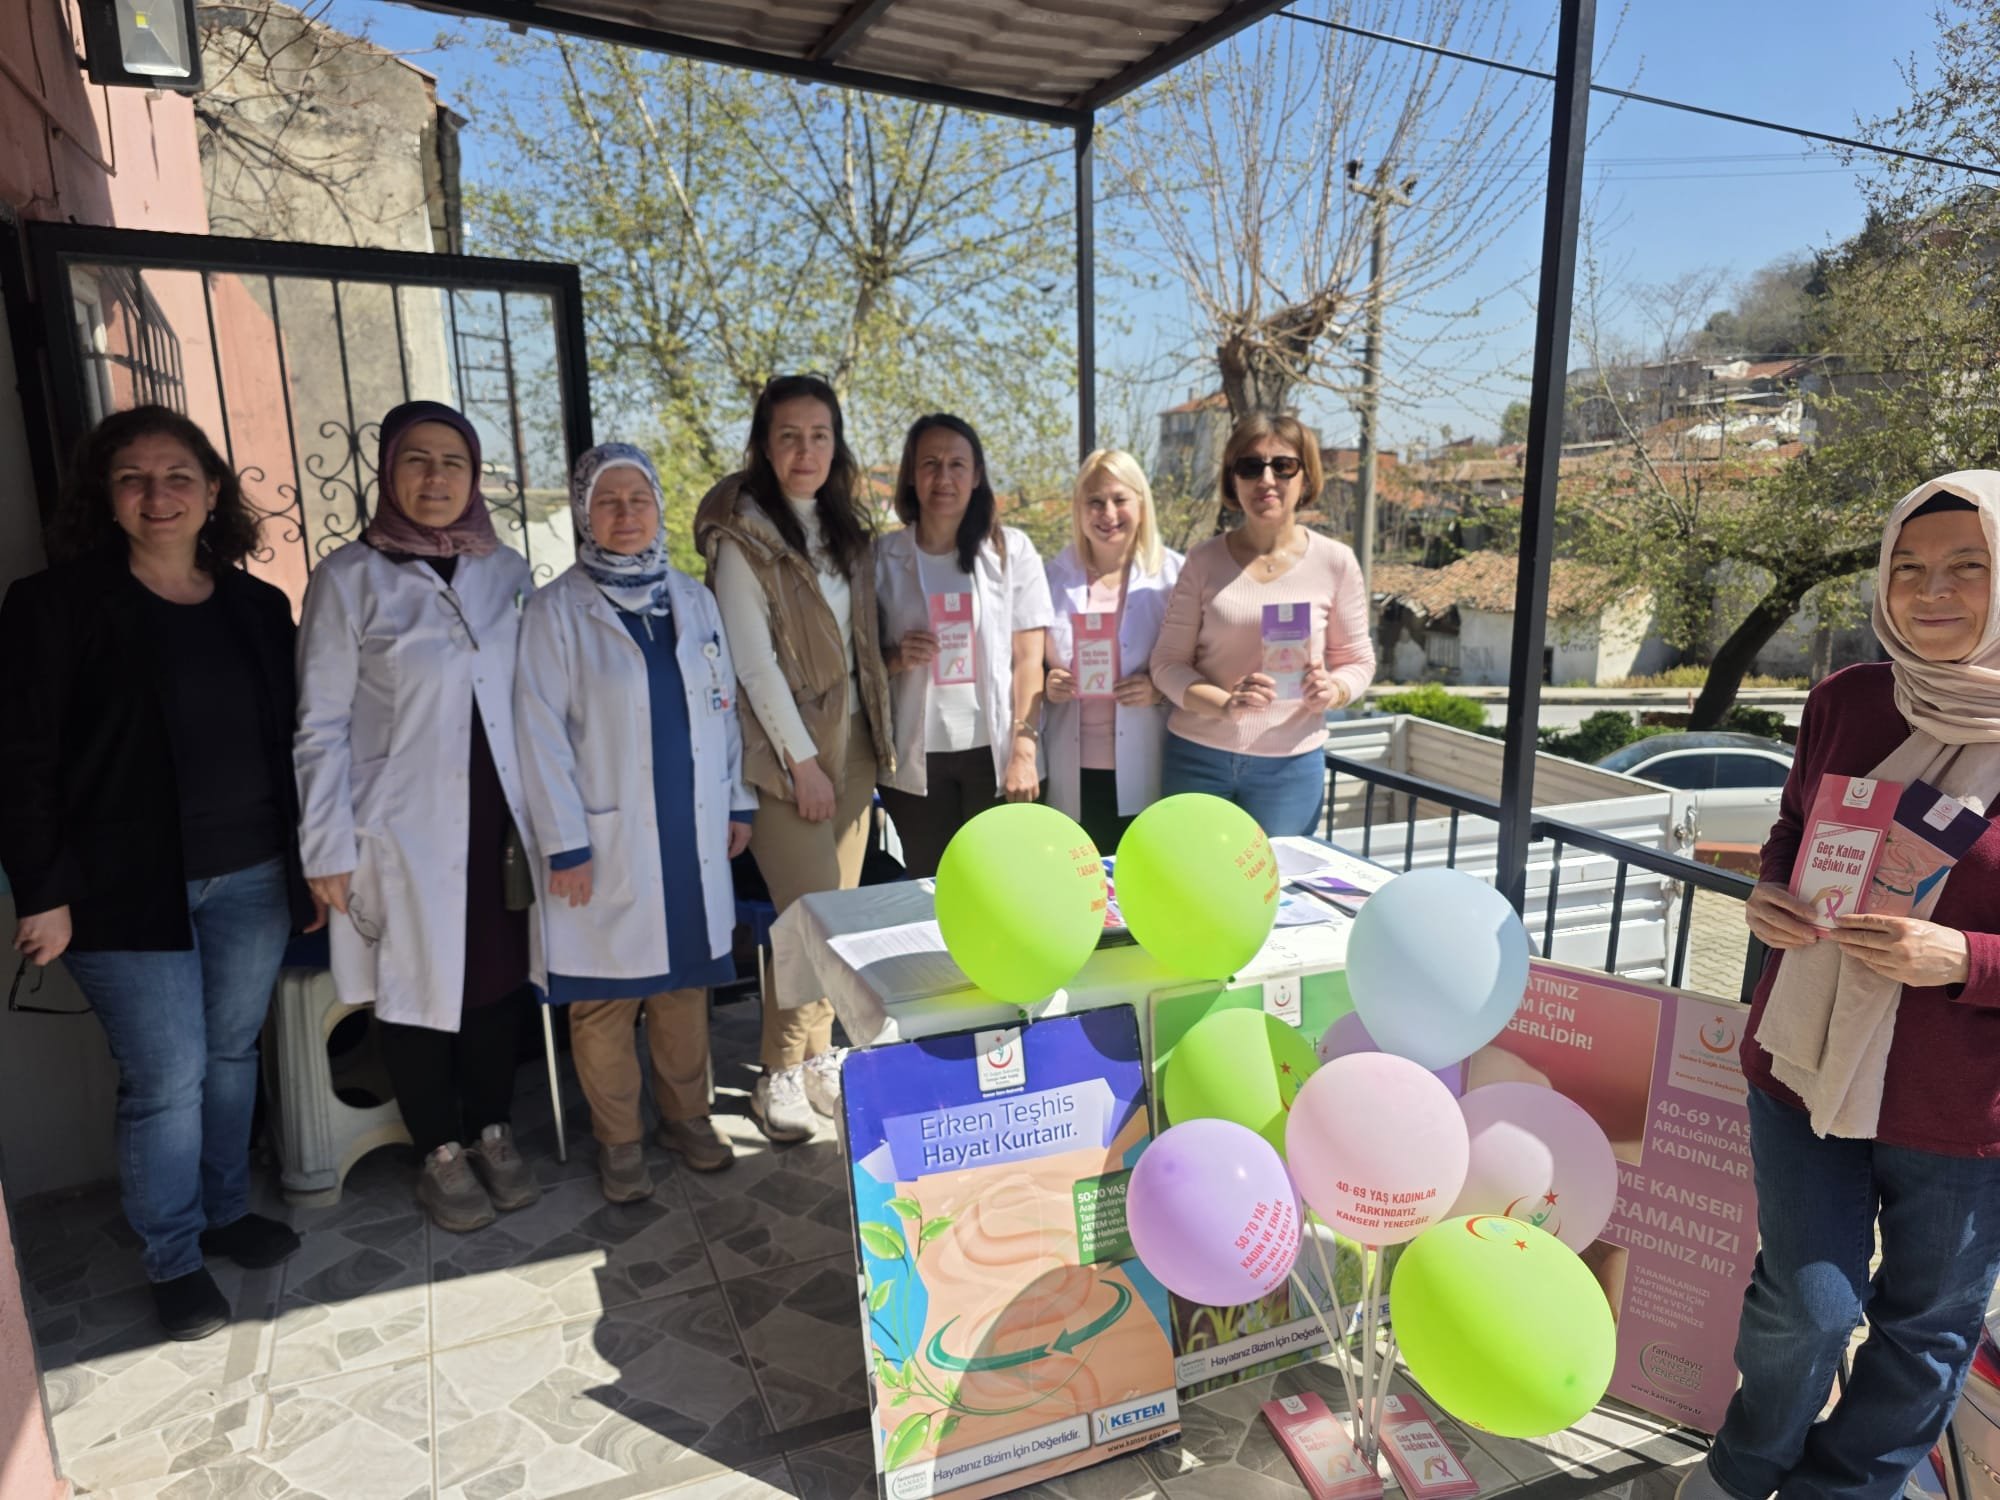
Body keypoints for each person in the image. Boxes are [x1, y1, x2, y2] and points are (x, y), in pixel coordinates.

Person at [1682, 472, 2000, 1500]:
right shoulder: (1849, 700)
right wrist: (1771, 893)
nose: (1931, 591)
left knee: (1924, 1329)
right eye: (1908, 568)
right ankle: (1742, 1472)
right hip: (1804, 1062)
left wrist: (1964, 959)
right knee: (1807, 1304)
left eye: (1967, 566)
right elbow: (1793, 827)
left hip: (1959, 1106)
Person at [0, 406, 314, 1340]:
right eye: (132, 477)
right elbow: (20, 761)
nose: (157, 494)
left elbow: (295, 745)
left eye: (178, 475)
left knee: (229, 1056)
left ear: (213, 491)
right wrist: (43, 892)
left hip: (252, 875)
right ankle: (173, 1257)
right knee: (167, 1078)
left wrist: (310, 868)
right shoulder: (53, 606)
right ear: (106, 496)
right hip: (119, 887)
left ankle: (225, 1212)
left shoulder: (260, 608)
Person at [295, 400, 541, 1235]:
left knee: (496, 980)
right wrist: (326, 846)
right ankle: (440, 1151)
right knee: (411, 988)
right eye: (417, 460)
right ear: (388, 471)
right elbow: (318, 723)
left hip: (499, 818)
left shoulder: (506, 571)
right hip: (399, 826)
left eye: (453, 462)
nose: (435, 478)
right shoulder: (347, 578)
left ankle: (492, 1130)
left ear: (474, 477)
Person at [517, 444, 756, 1200]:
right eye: (608, 501)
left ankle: (686, 1118)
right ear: (584, 513)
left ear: (658, 508)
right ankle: (619, 1140)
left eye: (639, 499)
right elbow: (538, 735)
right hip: (602, 837)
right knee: (604, 999)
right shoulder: (555, 611)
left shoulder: (693, 599)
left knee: (683, 990)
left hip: (691, 829)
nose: (625, 514)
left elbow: (724, 707)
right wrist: (566, 844)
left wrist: (736, 798)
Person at [694, 375, 896, 1143]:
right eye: (788, 436)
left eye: (819, 435)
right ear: (763, 446)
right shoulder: (742, 538)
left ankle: (817, 1058)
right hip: (789, 759)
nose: (805, 451)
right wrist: (802, 763)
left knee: (833, 925)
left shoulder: (844, 530)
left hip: (854, 749)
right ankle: (777, 1071)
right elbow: (754, 665)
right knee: (804, 923)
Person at [1149, 414, 1374, 837]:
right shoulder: (1202, 560)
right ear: (1232, 480)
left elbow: (1358, 661)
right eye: (1250, 466)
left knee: (1280, 878)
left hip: (1290, 767)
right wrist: (1224, 705)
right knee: (1191, 876)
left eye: (1283, 465)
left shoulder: (1336, 562)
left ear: (1306, 477)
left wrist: (1335, 689)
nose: (1266, 480)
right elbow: (1166, 664)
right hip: (1197, 758)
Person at [875, 413, 1053, 877]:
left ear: (976, 476)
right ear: (911, 475)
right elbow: (860, 659)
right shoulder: (881, 557)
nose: (944, 477)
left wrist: (1023, 750)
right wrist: (896, 658)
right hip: (916, 764)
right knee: (933, 888)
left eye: (957, 464)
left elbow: (1029, 661)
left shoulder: (1011, 551)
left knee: (1004, 884)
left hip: (995, 757)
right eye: (930, 464)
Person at [1041, 449, 1184, 854]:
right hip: (1071, 768)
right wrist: (1048, 681)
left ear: (1141, 503)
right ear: (1078, 508)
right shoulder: (1051, 578)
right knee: (1078, 878)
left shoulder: (1175, 577)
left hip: (1146, 762)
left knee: (1140, 877)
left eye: (1120, 499)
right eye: (1095, 501)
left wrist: (1158, 689)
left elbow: (1199, 662)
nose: (1107, 513)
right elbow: (1026, 659)